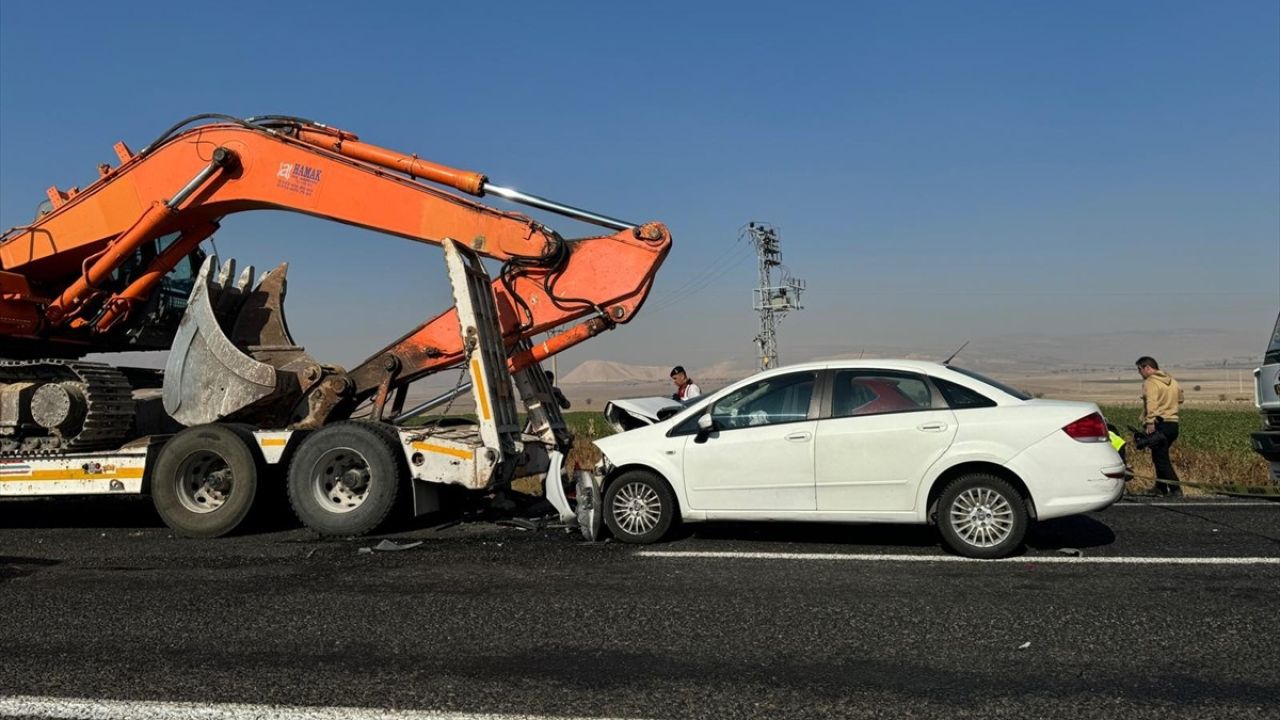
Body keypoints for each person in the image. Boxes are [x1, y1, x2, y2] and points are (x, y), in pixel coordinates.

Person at [1135, 356, 1185, 497]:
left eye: (1139, 369)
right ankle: (1160, 487)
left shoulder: (1150, 382)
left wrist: (1150, 421)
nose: (1139, 373)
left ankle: (1175, 489)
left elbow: (1152, 402)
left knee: (1161, 459)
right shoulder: (1172, 381)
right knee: (1159, 455)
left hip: (1160, 423)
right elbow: (1181, 398)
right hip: (1173, 424)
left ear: (1147, 368)